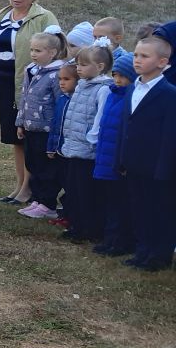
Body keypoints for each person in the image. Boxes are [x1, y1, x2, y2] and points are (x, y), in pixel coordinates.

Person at [0, 0, 58, 205]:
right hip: (4, 82)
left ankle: (28, 189)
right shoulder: (1, 16)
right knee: (15, 137)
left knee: (29, 136)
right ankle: (19, 185)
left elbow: (56, 48)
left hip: (31, 83)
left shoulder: (44, 17)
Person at [118, 35, 176, 271]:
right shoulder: (133, 87)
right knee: (139, 208)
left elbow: (169, 135)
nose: (137, 60)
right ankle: (142, 251)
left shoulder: (169, 94)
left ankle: (158, 256)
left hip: (157, 166)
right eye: (136, 55)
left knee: (159, 210)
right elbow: (126, 126)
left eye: (144, 56)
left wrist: (163, 168)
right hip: (134, 162)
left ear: (162, 62)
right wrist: (122, 158)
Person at [56, 45, 113, 242]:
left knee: (86, 191)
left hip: (88, 150)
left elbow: (100, 117)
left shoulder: (103, 89)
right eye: (78, 64)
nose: (78, 68)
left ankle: (90, 229)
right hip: (73, 146)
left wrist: (92, 139)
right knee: (73, 190)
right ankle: (76, 225)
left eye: (84, 65)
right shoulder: (81, 85)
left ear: (100, 66)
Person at [13, 29, 66, 219]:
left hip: (47, 130)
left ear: (52, 53)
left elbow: (61, 101)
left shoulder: (57, 73)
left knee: (47, 168)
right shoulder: (31, 70)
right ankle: (37, 199)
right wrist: (21, 122)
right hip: (30, 128)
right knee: (33, 163)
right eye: (32, 50)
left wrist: (57, 129)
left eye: (38, 51)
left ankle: (48, 203)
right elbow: (25, 98)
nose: (33, 54)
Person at [91, 52, 136, 257]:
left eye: (123, 76)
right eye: (116, 75)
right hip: (106, 157)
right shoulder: (111, 94)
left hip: (118, 160)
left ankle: (120, 241)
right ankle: (109, 239)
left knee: (120, 203)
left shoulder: (130, 98)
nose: (118, 80)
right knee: (110, 201)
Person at [40, 64, 80, 227]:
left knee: (71, 185)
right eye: (60, 79)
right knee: (61, 178)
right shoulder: (62, 99)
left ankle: (71, 214)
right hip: (59, 150)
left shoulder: (76, 101)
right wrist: (51, 146)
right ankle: (65, 212)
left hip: (71, 150)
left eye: (66, 79)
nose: (62, 83)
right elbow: (55, 125)